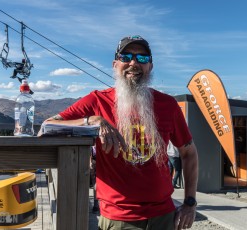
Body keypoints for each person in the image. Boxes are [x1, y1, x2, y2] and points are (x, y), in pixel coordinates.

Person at [39, 35, 199, 230]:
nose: (134, 63)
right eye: (126, 57)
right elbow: (47, 127)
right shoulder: (97, 101)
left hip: (164, 217)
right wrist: (93, 121)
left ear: (150, 66)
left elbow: (189, 153)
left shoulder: (168, 105)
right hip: (119, 219)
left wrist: (190, 203)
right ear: (115, 64)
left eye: (142, 58)